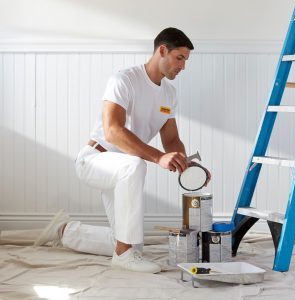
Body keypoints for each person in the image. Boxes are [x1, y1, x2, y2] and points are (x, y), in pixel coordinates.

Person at [34, 27, 202, 274]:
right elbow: (112, 130)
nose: (183, 67)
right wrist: (158, 157)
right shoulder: (124, 80)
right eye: (180, 58)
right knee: (135, 165)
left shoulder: (169, 93)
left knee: (132, 241)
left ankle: (65, 231)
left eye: (186, 61)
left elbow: (172, 138)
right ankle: (123, 256)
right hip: (95, 159)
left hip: (125, 171)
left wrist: (186, 164)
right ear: (162, 50)